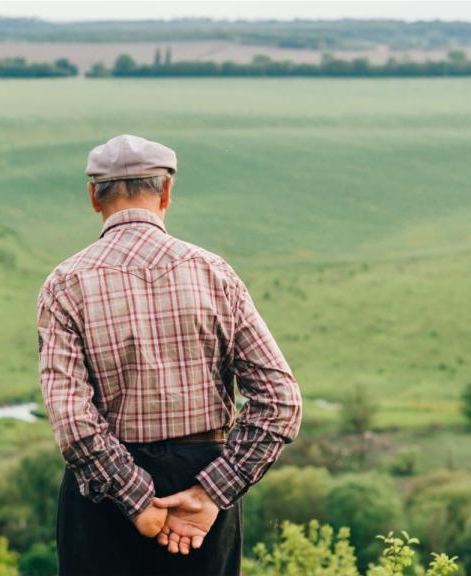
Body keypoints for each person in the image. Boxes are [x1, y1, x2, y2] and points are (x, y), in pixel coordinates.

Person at [38, 134, 302, 575]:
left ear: (93, 197)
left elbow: (73, 423)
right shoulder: (214, 274)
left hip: (103, 499)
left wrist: (137, 500)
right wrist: (212, 492)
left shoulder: (65, 284)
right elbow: (281, 402)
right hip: (203, 486)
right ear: (166, 192)